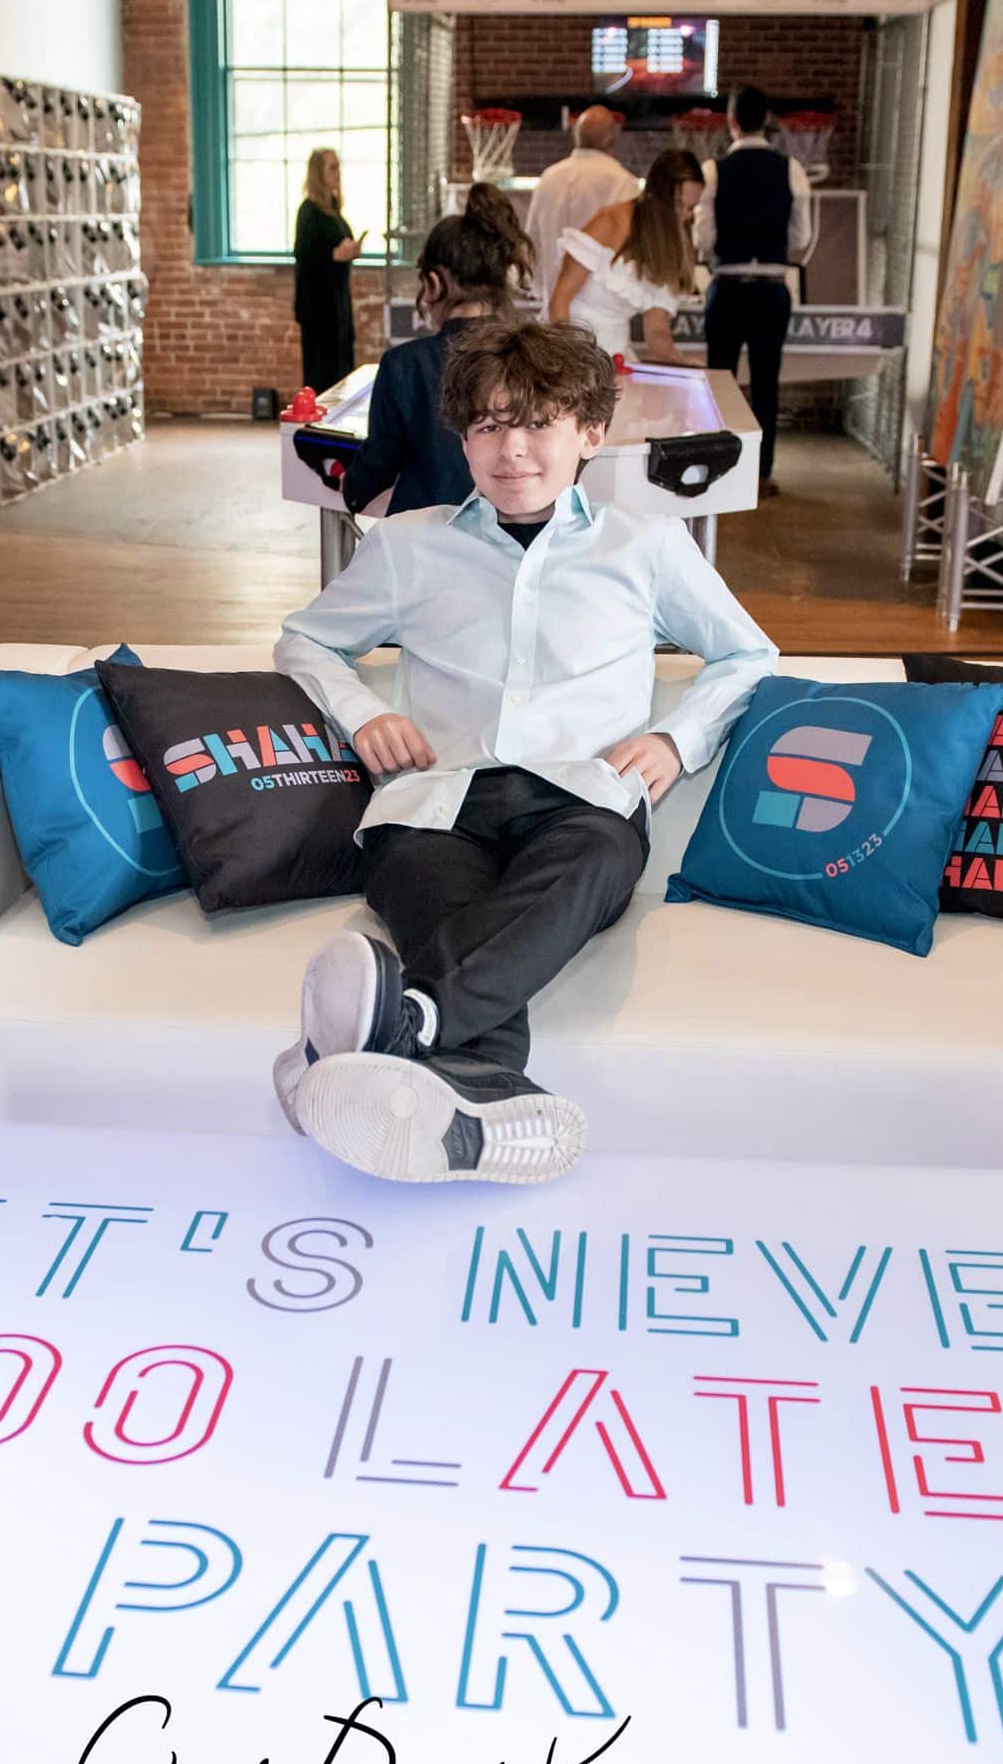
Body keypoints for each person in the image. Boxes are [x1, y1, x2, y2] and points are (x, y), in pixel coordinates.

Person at [271, 320, 777, 1186]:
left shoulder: (646, 547)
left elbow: (748, 653)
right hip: (432, 808)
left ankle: (400, 1028)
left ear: (590, 432)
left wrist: (676, 739)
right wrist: (360, 715)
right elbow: (304, 642)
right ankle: (477, 1095)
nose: (513, 450)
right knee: (452, 911)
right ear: (462, 437)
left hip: (582, 805)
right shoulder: (405, 545)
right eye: (489, 426)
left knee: (587, 866)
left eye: (538, 423)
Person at [341, 182, 535, 517]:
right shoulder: (538, 354)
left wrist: (352, 488)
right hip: (514, 541)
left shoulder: (404, 365)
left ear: (433, 283)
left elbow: (378, 464)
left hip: (425, 544)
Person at [693, 84, 814, 492]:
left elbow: (703, 239)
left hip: (727, 285)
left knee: (718, 382)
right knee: (767, 381)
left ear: (730, 123)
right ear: (767, 121)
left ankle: (716, 469)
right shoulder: (790, 168)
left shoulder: (714, 170)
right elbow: (802, 235)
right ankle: (761, 475)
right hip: (771, 288)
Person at [546, 149, 703, 365]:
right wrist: (572, 363)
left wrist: (679, 360)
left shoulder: (670, 249)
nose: (686, 216)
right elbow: (559, 300)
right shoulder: (611, 222)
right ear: (656, 196)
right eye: (678, 205)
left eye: (692, 208)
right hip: (567, 348)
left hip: (616, 356)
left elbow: (656, 330)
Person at [525, 107, 639, 313]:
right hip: (601, 311)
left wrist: (542, 289)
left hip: (552, 306)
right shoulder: (623, 182)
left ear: (576, 135)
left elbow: (532, 241)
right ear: (611, 139)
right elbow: (628, 249)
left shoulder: (549, 177)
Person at [293, 147, 364, 393]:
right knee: (321, 368)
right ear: (318, 173)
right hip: (318, 305)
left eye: (338, 167)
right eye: (332, 168)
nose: (337, 173)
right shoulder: (309, 211)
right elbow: (304, 253)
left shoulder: (332, 210)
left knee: (341, 364)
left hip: (337, 300)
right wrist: (334, 254)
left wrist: (350, 250)